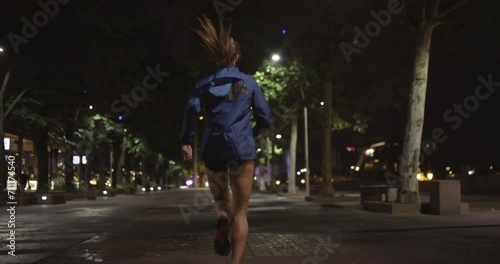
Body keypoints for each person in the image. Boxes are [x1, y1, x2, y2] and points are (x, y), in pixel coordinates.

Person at [180, 15, 272, 264]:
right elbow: (265, 117)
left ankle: (222, 219)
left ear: (217, 58)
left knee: (222, 201)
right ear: (237, 57)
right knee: (240, 213)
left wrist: (187, 141)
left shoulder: (203, 84)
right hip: (242, 150)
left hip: (213, 151)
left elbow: (191, 110)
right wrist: (250, 134)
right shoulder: (249, 83)